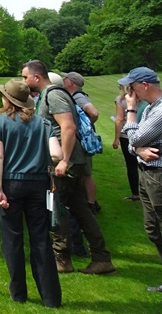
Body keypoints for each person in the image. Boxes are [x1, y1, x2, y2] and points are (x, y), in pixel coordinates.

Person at [21, 60, 116, 275]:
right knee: (81, 209)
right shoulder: (49, 95)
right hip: (68, 162)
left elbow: (68, 126)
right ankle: (101, 258)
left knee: (56, 209)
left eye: (25, 77)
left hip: (65, 164)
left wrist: (63, 161)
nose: (23, 81)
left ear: (37, 77)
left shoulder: (53, 95)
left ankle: (62, 259)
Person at [0, 78, 62, 307]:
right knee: (41, 240)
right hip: (38, 184)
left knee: (12, 239)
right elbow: (57, 155)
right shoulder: (43, 123)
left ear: (7, 99)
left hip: (11, 183)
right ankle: (50, 298)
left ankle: (18, 294)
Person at [118, 67, 162, 293]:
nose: (129, 93)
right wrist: (138, 150)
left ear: (144, 85)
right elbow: (132, 144)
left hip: (158, 175)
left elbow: (133, 136)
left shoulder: (159, 111)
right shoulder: (152, 109)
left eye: (131, 87)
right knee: (152, 228)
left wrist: (131, 110)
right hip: (147, 173)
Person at [63, 71, 100, 211]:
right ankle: (88, 201)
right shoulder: (74, 96)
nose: (63, 80)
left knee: (86, 173)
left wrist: (85, 127)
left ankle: (91, 204)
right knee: (84, 173)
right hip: (81, 139)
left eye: (65, 78)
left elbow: (94, 112)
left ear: (71, 83)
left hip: (82, 140)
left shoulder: (78, 97)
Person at [115, 88, 149, 201]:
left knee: (131, 165)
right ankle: (150, 192)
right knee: (147, 164)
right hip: (146, 135)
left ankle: (136, 194)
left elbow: (119, 120)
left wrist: (116, 138)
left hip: (127, 136)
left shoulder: (121, 100)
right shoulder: (147, 99)